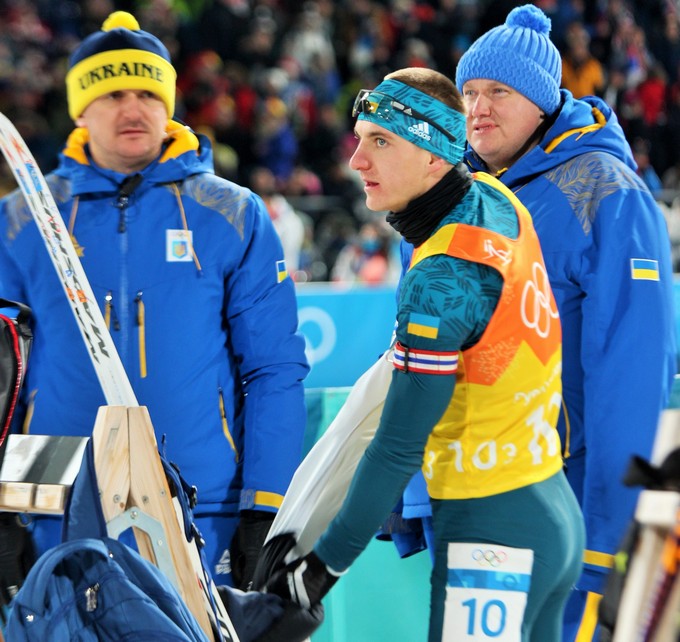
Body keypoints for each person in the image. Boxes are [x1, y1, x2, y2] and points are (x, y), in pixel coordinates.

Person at [265, 66, 585, 642]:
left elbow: (395, 449)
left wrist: (320, 570)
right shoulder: (494, 197)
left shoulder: (439, 278)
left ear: (435, 156)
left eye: (381, 142)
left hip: (492, 533)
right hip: (551, 509)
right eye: (359, 139)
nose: (356, 160)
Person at [0, 11, 309, 593]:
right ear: (80, 109)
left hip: (198, 511)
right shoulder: (22, 221)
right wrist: (5, 510)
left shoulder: (231, 213)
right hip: (55, 512)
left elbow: (274, 369)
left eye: (147, 93)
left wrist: (266, 505)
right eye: (112, 94)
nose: (133, 108)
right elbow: (3, 378)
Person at [450, 5, 676, 640]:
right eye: (469, 93)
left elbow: (631, 377)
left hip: (568, 518)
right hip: (479, 512)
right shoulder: (468, 197)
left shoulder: (607, 192)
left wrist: (610, 536)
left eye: (498, 91)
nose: (478, 108)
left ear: (543, 100)